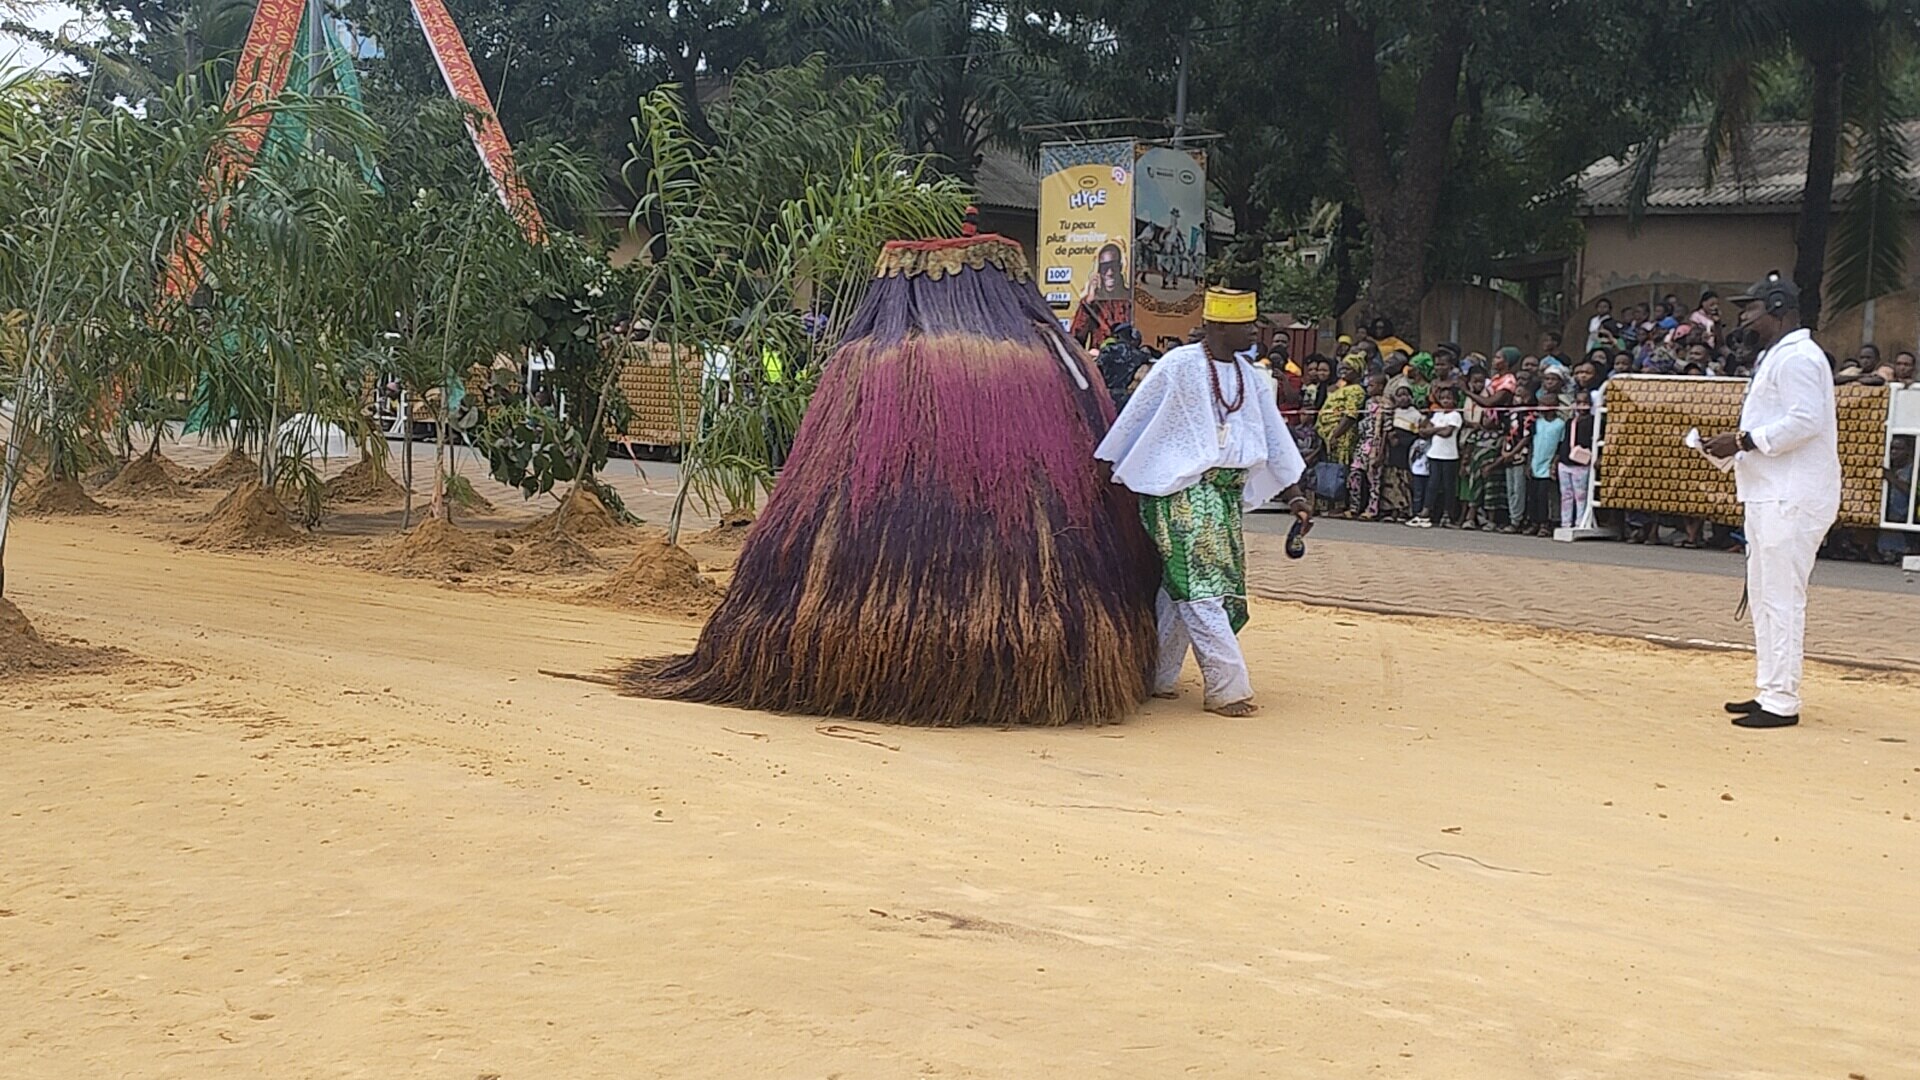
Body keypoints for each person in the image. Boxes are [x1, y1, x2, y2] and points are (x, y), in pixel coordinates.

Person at [1096, 287, 1311, 718]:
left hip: (1225, 495)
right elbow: (1136, 417)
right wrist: (1104, 469)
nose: (1254, 331)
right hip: (1180, 490)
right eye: (1244, 325)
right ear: (1216, 327)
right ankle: (1228, 688)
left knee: (1181, 585)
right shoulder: (1177, 365)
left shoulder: (1251, 376)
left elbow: (1272, 434)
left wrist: (1295, 494)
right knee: (1202, 585)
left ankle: (1156, 675)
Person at [1703, 271, 1841, 729]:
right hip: (1771, 492)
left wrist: (1743, 441)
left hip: (1792, 495)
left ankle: (1783, 700)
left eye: (1752, 308)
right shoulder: (1780, 356)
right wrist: (1732, 447)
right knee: (1764, 595)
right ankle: (1770, 689)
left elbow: (1805, 421)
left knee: (1781, 597)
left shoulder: (1799, 357)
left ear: (1778, 307)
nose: (1745, 316)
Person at [1409, 385, 1463, 528]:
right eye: (1443, 398)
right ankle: (1426, 511)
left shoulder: (1455, 415)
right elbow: (1423, 431)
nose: (1445, 401)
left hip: (1449, 456)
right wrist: (1436, 428)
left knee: (1448, 486)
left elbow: (1447, 433)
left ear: (1454, 401)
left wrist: (1433, 430)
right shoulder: (1438, 415)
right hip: (1434, 454)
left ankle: (1448, 514)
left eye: (1448, 398)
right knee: (1432, 484)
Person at [1070, 242, 1132, 348]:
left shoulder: (1130, 298)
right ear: (1099, 271)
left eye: (1113, 266)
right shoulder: (1091, 303)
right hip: (1100, 361)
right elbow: (1076, 339)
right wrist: (1088, 303)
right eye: (1105, 267)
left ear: (1120, 267)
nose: (1109, 272)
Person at [1381, 387, 1420, 521]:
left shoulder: (1416, 414)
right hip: (1392, 448)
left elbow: (1416, 433)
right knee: (1391, 480)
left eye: (1406, 395)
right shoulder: (1393, 413)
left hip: (1406, 447)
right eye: (1399, 395)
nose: (1403, 398)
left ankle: (1404, 510)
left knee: (1404, 481)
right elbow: (1387, 429)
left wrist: (1401, 441)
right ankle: (1391, 510)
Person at [1096, 324, 1151, 409]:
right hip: (1129, 398)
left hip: (1107, 397)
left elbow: (1097, 372)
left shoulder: (1108, 351)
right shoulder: (1139, 355)